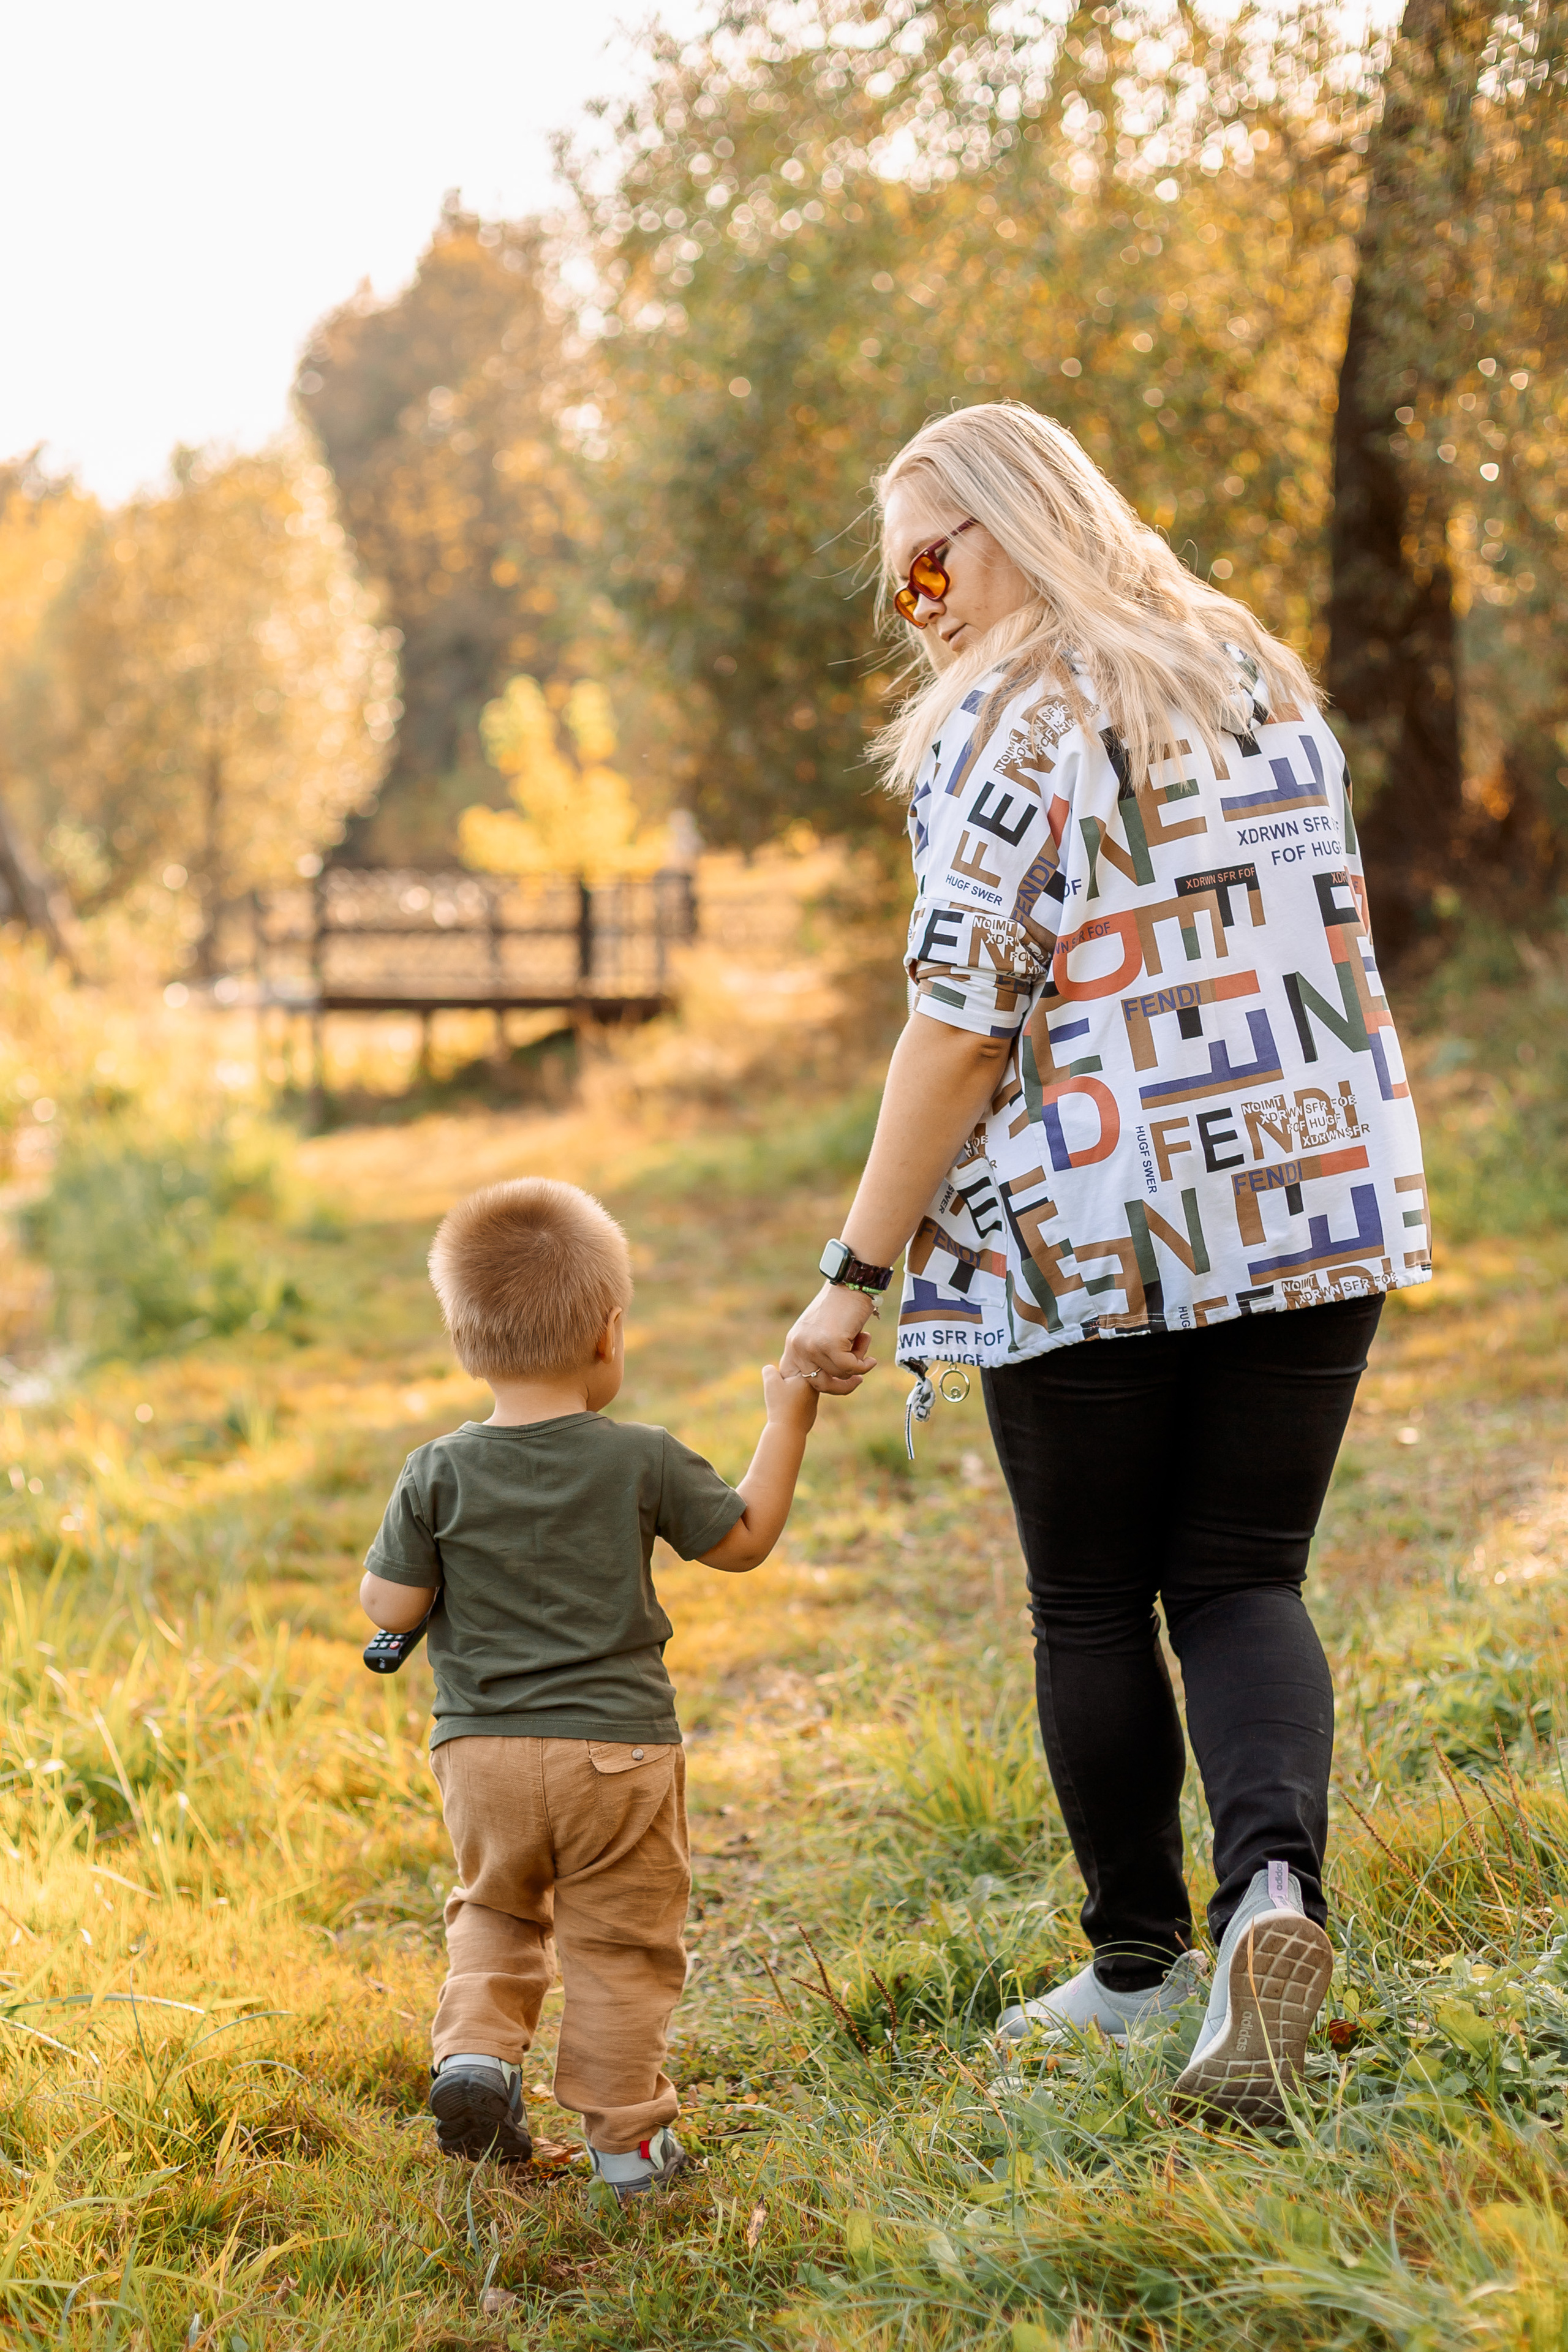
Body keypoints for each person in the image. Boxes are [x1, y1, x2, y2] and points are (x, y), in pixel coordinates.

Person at [782, 402, 1428, 2122]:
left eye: (937, 555)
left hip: (1093, 1226)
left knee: (1090, 1597)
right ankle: (1274, 1901)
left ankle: (1141, 1968)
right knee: (1243, 1578)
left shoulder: (1009, 719)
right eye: (896, 574)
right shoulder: (1256, 675)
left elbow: (956, 1030)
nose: (919, 601)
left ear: (1017, 523)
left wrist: (855, 1267)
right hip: (1308, 1198)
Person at [360, 1177, 818, 2194]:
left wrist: (406, 1587)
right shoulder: (641, 1460)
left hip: (479, 1756)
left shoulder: (431, 1471)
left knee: (497, 1907)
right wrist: (789, 1416)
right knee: (619, 1943)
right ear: (609, 1334)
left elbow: (389, 1608)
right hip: (618, 1755)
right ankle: (628, 2146)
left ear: (463, 1340)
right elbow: (743, 1541)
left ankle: (478, 2053)